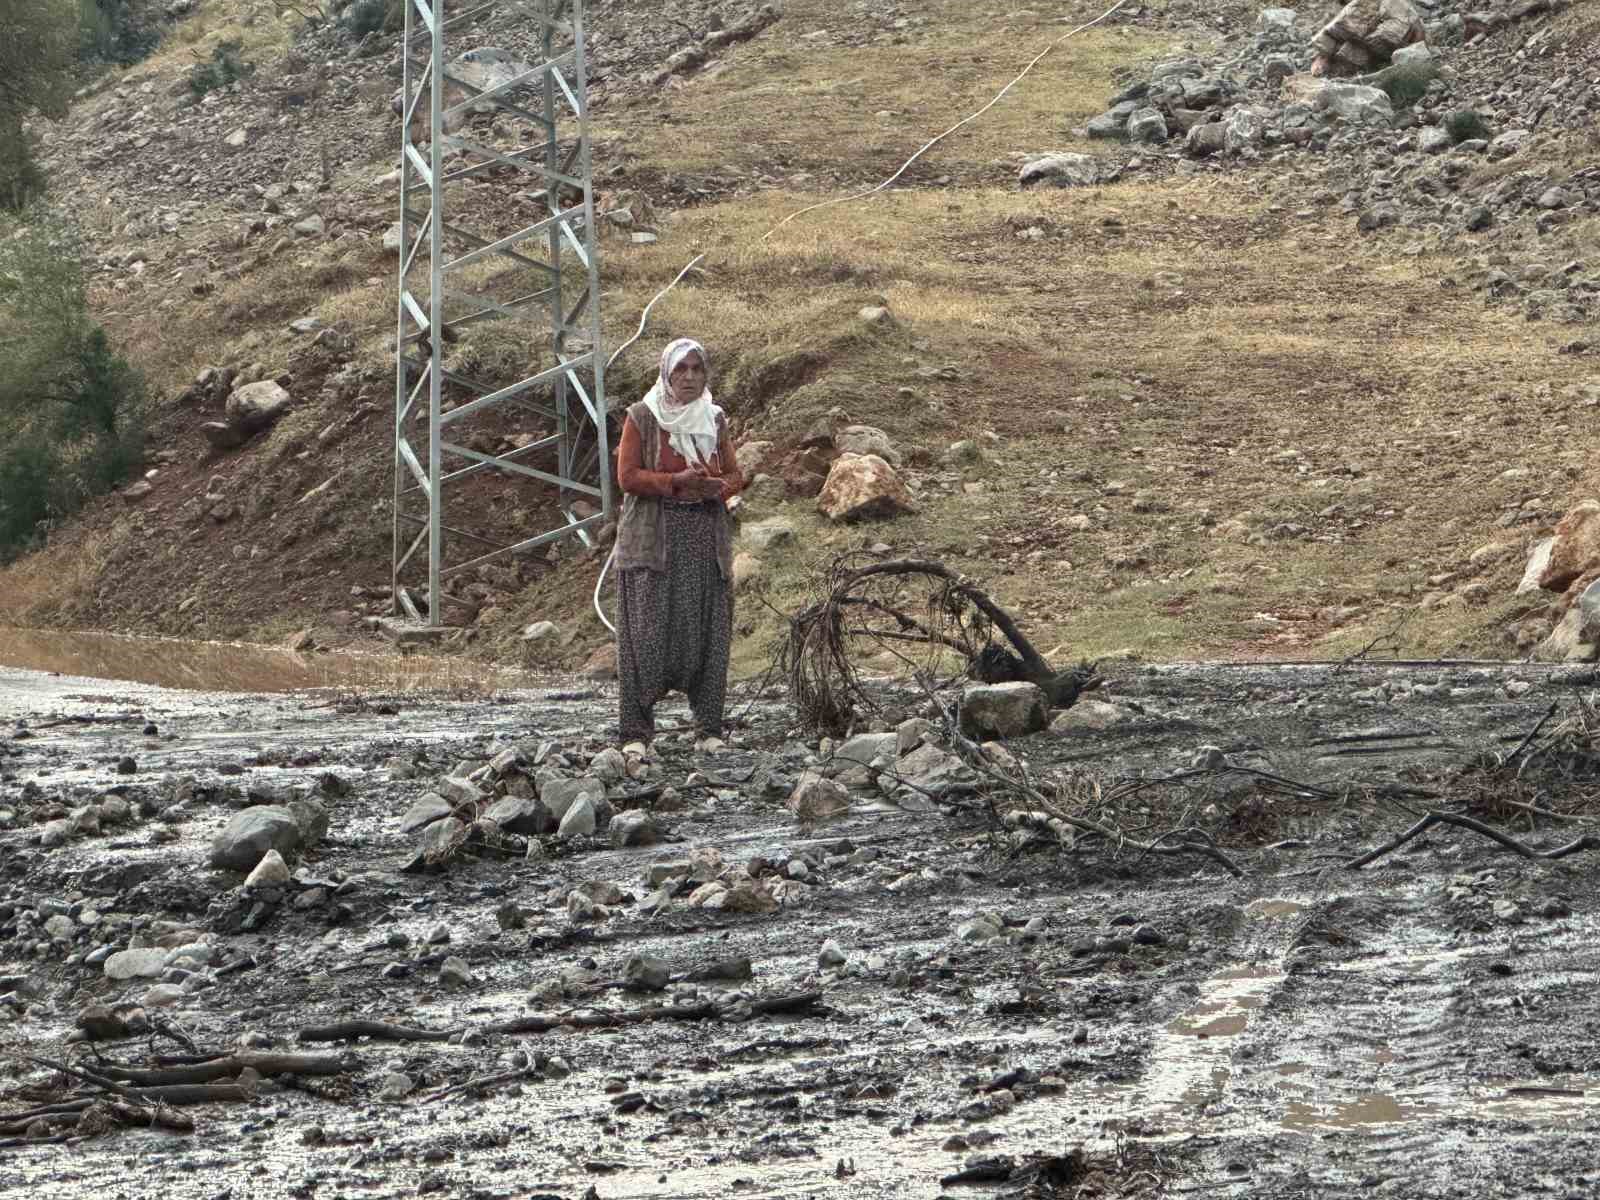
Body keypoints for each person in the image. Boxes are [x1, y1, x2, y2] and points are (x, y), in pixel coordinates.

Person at [612, 338, 744, 749]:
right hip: (653, 541)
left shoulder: (714, 419)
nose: (689, 377)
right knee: (646, 633)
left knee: (706, 629)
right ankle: (636, 733)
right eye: (680, 370)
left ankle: (708, 729)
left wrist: (715, 487)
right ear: (666, 375)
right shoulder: (643, 416)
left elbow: (736, 474)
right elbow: (627, 477)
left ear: (706, 374)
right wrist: (673, 483)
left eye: (696, 369)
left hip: (703, 539)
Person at [1310, 0, 1427, 77]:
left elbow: (1417, 29)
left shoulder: (1399, 6)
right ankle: (1326, 58)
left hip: (1385, 48)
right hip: (1359, 41)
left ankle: (1335, 64)